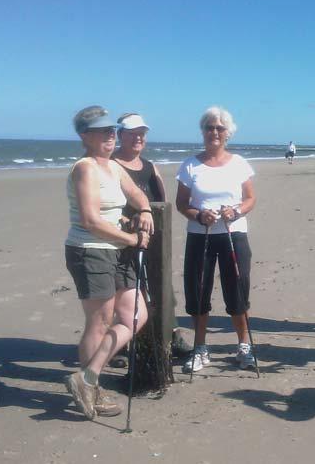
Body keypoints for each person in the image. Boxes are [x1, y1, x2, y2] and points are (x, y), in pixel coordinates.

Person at [64, 105, 154, 420]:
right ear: (84, 135)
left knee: (136, 315)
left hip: (115, 251)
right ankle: (93, 386)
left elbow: (138, 194)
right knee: (99, 322)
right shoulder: (85, 168)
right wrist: (131, 239)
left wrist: (145, 211)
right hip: (90, 250)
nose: (111, 136)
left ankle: (86, 377)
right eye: (103, 131)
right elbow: (90, 220)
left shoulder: (113, 167)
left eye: (112, 130)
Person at [176, 106, 257, 372]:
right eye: (209, 127)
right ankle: (200, 348)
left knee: (237, 292)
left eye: (219, 128)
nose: (214, 132)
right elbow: (181, 203)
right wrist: (199, 215)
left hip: (234, 235)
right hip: (201, 237)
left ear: (228, 133)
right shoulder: (190, 164)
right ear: (202, 131)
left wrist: (235, 211)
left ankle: (244, 346)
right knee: (198, 292)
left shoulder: (239, 163)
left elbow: (250, 199)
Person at [111, 113, 192, 362]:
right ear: (119, 135)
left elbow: (161, 205)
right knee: (122, 293)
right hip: (117, 239)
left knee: (161, 287)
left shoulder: (150, 167)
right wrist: (128, 225)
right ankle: (119, 344)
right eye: (132, 133)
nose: (138, 138)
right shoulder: (108, 165)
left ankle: (173, 334)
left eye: (142, 134)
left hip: (151, 239)